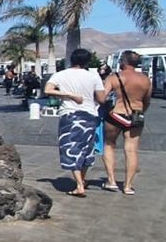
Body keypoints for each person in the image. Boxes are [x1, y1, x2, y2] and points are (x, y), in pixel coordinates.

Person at [44, 48, 108, 197]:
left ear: (71, 59)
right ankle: (81, 181)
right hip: (90, 115)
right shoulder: (93, 76)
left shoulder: (60, 75)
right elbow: (101, 99)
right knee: (86, 148)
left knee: (71, 147)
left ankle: (79, 184)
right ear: (87, 62)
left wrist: (68, 95)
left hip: (70, 115)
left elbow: (48, 90)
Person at [101, 50, 151, 195]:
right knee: (132, 150)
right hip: (136, 115)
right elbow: (147, 101)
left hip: (116, 114)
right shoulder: (145, 80)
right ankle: (128, 186)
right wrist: (140, 111)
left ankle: (111, 181)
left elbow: (103, 97)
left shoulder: (114, 77)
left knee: (109, 144)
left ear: (123, 61)